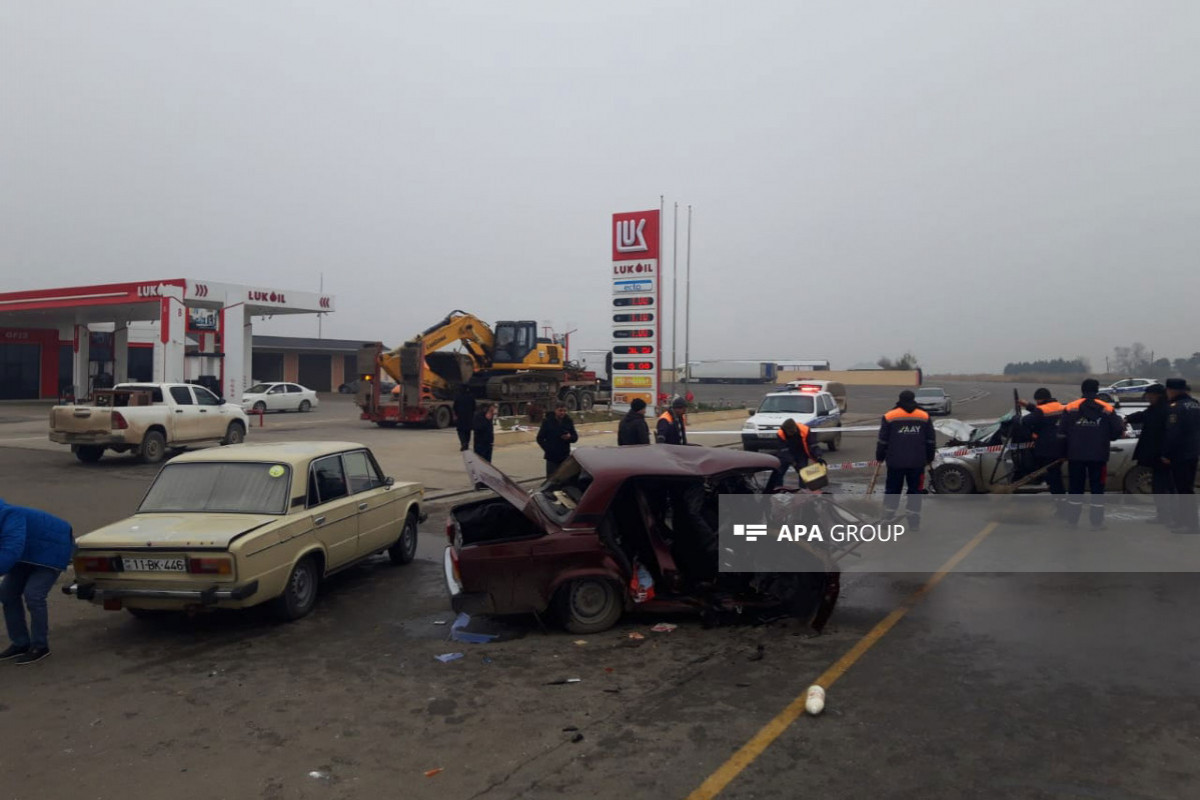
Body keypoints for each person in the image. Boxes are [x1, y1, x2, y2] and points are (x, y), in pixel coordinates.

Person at [0, 499, 74, 665]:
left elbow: (10, 550)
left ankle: (40, 646)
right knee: (6, 594)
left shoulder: (9, 515)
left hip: (52, 550)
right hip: (26, 555)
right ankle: (20, 643)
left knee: (33, 595)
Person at [1058, 379, 1125, 529]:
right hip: (1099, 456)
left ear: (1082, 390)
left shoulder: (1070, 407)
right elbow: (1116, 431)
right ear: (1097, 390)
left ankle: (1072, 521)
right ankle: (1096, 523)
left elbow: (1061, 433)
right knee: (1097, 489)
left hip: (1075, 456)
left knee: (1075, 488)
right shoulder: (1107, 408)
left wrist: (1064, 453)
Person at [876, 390, 936, 530]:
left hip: (895, 462)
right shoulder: (924, 416)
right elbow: (930, 440)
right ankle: (914, 522)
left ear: (899, 399)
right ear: (914, 399)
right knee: (915, 491)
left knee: (892, 490)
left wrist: (880, 456)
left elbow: (883, 440)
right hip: (917, 462)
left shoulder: (890, 416)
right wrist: (929, 457)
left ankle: (887, 519)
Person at [1123, 384, 1173, 523]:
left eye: (1150, 395)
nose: (1148, 398)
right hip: (1157, 456)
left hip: (1163, 455)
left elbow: (1170, 435)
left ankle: (1168, 516)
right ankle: (1163, 515)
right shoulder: (1155, 409)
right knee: (1159, 486)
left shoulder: (1165, 410)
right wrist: (1127, 418)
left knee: (1164, 486)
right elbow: (1143, 415)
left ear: (1158, 395)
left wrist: (1166, 454)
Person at [1161, 378, 1200, 533]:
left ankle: (1190, 524)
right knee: (1187, 488)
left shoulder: (1176, 408)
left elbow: (1173, 434)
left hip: (1180, 454)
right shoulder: (1195, 404)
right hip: (1193, 452)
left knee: (1184, 490)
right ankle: (1183, 521)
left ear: (1172, 390)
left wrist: (1166, 453)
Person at [1020, 388, 1067, 510]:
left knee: (1053, 478)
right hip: (1062, 447)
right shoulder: (1061, 407)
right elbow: (1043, 414)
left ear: (1040, 400)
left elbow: (1025, 421)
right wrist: (1028, 405)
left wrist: (1032, 434)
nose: (1036, 403)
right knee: (1056, 475)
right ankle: (1060, 502)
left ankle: (1061, 505)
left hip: (1048, 450)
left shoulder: (1041, 410)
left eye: (1037, 401)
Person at [765, 418, 825, 491]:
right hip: (786, 454)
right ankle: (778, 489)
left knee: (803, 473)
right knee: (779, 472)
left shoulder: (805, 430)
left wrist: (818, 457)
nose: (792, 434)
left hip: (801, 453)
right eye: (790, 433)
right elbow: (784, 451)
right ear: (785, 430)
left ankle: (803, 491)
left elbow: (813, 445)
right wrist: (793, 463)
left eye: (793, 432)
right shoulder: (780, 433)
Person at [536, 402, 578, 477]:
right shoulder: (547, 421)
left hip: (564, 456)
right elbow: (540, 438)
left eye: (564, 411)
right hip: (552, 457)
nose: (562, 413)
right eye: (560, 410)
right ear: (555, 410)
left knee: (565, 479)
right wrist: (548, 449)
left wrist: (569, 437)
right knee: (551, 479)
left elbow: (575, 437)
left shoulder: (568, 421)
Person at [453, 384, 475, 452]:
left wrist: (456, 414)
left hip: (460, 416)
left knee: (460, 431)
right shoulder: (471, 397)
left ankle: (463, 443)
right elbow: (474, 407)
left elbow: (455, 406)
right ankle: (467, 444)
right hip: (469, 416)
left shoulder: (458, 396)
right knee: (467, 431)